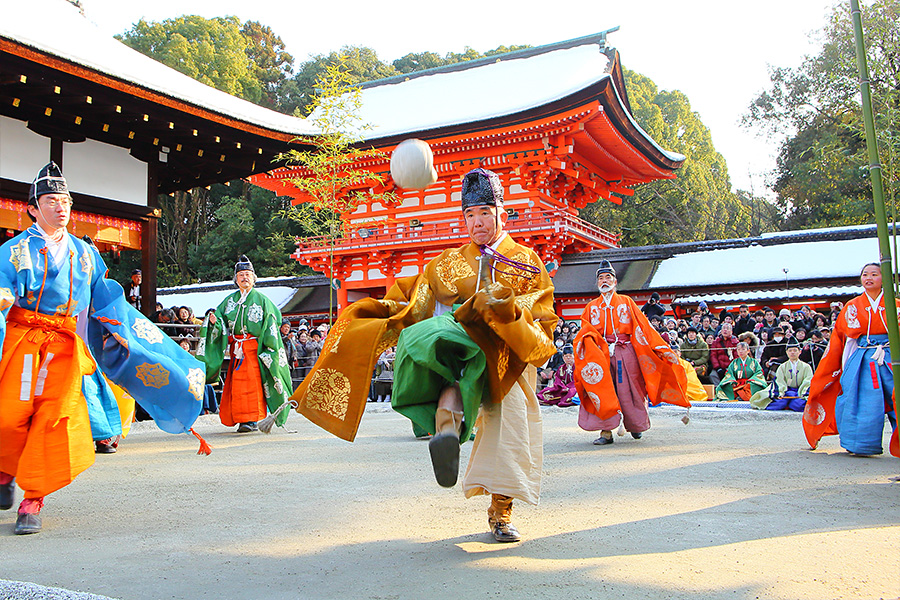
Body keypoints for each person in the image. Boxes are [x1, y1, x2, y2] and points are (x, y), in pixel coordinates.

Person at [290, 168, 558, 543]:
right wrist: (379, 312)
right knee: (435, 349)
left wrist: (503, 309)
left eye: (484, 212)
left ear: (501, 210)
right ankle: (445, 427)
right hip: (463, 347)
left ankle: (500, 512)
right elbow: (412, 301)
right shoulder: (447, 263)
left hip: (507, 355)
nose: (476, 222)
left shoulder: (526, 262)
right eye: (469, 215)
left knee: (507, 432)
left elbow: (541, 314)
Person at [0, 162, 206, 535]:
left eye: (65, 200)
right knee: (8, 415)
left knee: (55, 418)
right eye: (51, 200)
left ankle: (34, 499)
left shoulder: (84, 253)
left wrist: (121, 331)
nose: (61, 207)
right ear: (32, 208)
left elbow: (104, 299)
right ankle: (4, 470)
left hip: (64, 346)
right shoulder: (14, 250)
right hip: (22, 340)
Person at [573, 260, 689, 446]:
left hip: (626, 351)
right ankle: (606, 432)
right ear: (597, 283)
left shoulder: (626, 302)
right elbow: (584, 332)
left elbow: (643, 327)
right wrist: (597, 344)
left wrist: (659, 347)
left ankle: (635, 425)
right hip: (601, 354)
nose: (604, 281)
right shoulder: (590, 307)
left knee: (632, 389)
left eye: (608, 277)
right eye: (601, 278)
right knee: (602, 390)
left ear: (615, 281)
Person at [805, 264, 899, 457]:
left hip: (892, 356)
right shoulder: (852, 306)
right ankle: (861, 444)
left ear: (884, 278)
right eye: (865, 275)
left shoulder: (895, 304)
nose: (869, 278)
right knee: (861, 399)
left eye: (874, 274)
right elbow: (840, 337)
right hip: (863, 357)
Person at [198, 255, 293, 434]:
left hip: (254, 349)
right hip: (236, 351)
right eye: (241, 275)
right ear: (236, 279)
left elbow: (274, 320)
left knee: (253, 384)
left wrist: (268, 348)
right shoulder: (229, 301)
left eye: (248, 274)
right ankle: (241, 419)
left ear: (254, 278)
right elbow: (220, 319)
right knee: (237, 386)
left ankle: (252, 419)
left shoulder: (262, 300)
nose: (244, 278)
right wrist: (213, 322)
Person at [751, 340, 812, 411]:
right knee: (780, 403)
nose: (792, 352)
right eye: (790, 350)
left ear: (800, 352)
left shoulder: (806, 367)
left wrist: (801, 393)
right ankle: (788, 402)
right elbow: (779, 381)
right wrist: (781, 392)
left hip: (800, 392)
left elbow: (808, 381)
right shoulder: (782, 367)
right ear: (786, 352)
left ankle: (790, 402)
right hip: (786, 391)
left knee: (799, 404)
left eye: (795, 350)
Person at [709, 322, 739, 386]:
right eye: (724, 328)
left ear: (731, 331)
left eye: (727, 329)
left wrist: (730, 368)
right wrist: (717, 368)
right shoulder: (716, 342)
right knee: (712, 375)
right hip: (719, 366)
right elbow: (713, 356)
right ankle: (718, 389)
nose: (725, 330)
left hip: (730, 367)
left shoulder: (735, 342)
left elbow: (737, 356)